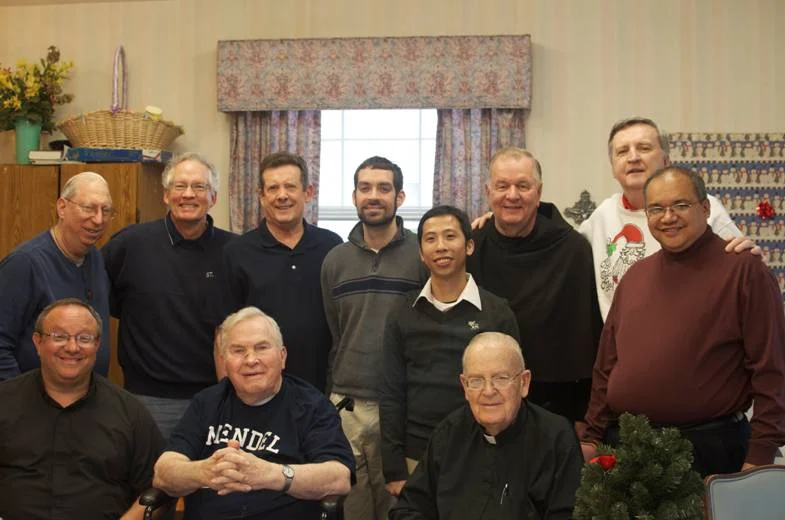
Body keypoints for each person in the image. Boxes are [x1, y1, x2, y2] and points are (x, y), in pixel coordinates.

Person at [581, 166, 785, 477]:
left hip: (710, 452)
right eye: (656, 209)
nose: (667, 217)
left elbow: (771, 371)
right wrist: (593, 437)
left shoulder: (744, 271)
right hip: (628, 450)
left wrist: (760, 456)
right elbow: (606, 365)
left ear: (705, 208)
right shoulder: (636, 276)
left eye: (680, 205)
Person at [153, 307, 354, 520]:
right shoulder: (207, 402)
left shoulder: (312, 406)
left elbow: (339, 477)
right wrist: (204, 472)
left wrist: (270, 475)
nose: (251, 360)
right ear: (224, 361)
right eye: (238, 350)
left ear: (282, 356)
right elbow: (163, 472)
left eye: (261, 348)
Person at [380, 205, 520, 497]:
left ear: (469, 245)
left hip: (483, 453)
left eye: (450, 236)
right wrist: (394, 469)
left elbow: (514, 391)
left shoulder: (497, 312)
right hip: (417, 454)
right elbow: (391, 393)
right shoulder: (402, 312)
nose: (441, 246)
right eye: (430, 239)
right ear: (421, 252)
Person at [102, 153, 235, 437]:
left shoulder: (234, 252)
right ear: (166, 195)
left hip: (215, 398)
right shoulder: (130, 245)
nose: (188, 194)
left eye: (199, 187)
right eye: (180, 186)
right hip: (146, 399)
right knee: (151, 480)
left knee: (213, 480)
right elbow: (103, 300)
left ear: (213, 198)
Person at [321, 156, 424, 520]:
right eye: (365, 188)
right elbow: (336, 331)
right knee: (353, 509)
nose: (374, 196)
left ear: (400, 196)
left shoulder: (422, 255)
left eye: (383, 188)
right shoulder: (335, 261)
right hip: (345, 406)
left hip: (401, 405)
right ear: (354, 196)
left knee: (400, 508)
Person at [468, 147, 602, 424]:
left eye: (523, 186)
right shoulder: (472, 246)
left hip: (555, 399)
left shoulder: (572, 249)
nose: (512, 195)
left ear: (538, 193)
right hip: (484, 393)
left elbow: (584, 335)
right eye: (502, 186)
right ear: (488, 191)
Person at [0, 298, 165, 519]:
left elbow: (157, 492)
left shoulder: (131, 413)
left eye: (84, 338)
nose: (72, 347)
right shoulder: (4, 401)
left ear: (97, 345)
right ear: (37, 342)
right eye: (59, 337)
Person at [390, 332, 583, 520]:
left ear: (524, 382)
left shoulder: (557, 438)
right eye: (476, 380)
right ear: (465, 387)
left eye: (501, 378)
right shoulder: (448, 433)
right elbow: (408, 508)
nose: (488, 391)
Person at [579, 117, 746, 320]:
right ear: (613, 167)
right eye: (622, 151)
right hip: (626, 345)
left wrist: (747, 252)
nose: (633, 157)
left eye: (644, 148)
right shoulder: (600, 218)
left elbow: (742, 269)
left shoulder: (699, 208)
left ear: (666, 161)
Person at [222, 151, 341, 392]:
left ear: (308, 192)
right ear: (261, 196)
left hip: (323, 389)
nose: (282, 196)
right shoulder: (237, 252)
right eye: (273, 188)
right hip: (257, 389)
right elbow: (223, 333)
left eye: (290, 187)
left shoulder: (332, 247)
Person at [0, 171, 112, 381]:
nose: (98, 219)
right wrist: (18, 402)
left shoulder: (95, 257)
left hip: (86, 402)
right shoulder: (26, 264)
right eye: (88, 208)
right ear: (62, 207)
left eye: (105, 210)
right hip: (36, 406)